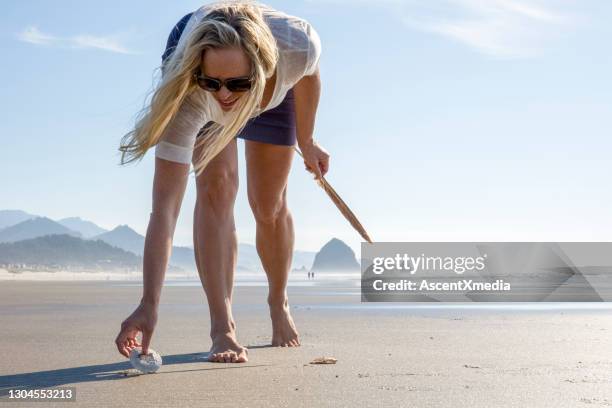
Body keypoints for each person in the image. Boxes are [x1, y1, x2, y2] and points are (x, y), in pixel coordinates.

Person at [115, 1, 329, 364]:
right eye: (215, 83)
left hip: (270, 89)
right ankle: (222, 327)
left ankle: (279, 301)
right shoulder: (192, 92)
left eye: (236, 85)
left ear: (259, 70)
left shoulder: (298, 44)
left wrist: (306, 141)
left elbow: (310, 74)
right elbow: (164, 211)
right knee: (217, 190)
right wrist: (148, 304)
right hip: (194, 78)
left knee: (268, 204)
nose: (225, 95)